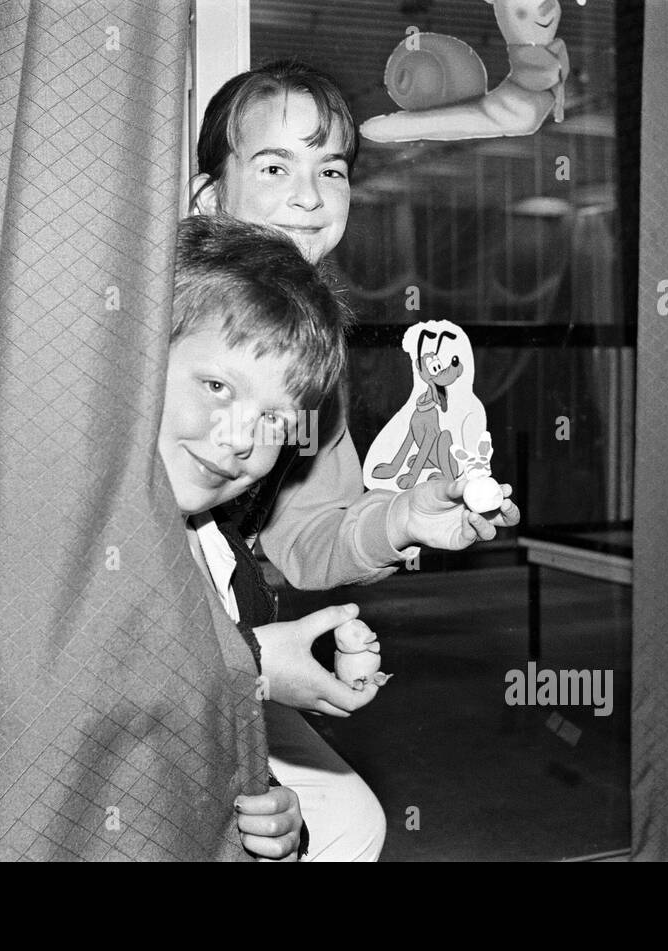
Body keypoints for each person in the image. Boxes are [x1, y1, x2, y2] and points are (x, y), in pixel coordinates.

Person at [186, 60, 522, 860]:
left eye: (329, 169)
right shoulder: (168, 314)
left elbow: (303, 532)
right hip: (156, 655)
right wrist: (257, 666)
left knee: (350, 821)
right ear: (210, 197)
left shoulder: (313, 348)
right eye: (274, 167)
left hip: (225, 644)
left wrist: (403, 516)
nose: (310, 196)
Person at [162, 215, 383, 861]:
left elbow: (233, 760)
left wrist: (283, 822)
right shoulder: (66, 519)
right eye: (216, 386)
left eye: (274, 421)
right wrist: (252, 665)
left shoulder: (230, 569)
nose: (237, 437)